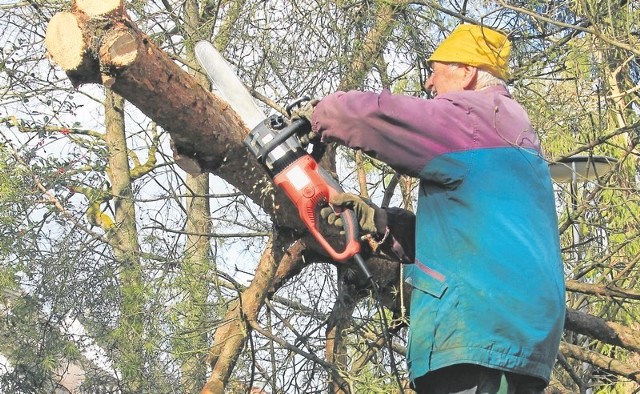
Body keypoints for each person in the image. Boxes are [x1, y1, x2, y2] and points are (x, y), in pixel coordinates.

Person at [292, 24, 565, 394]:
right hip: (513, 342)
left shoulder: (472, 118)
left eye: (435, 70)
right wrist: (382, 223)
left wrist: (319, 114)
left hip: (475, 338)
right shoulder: (513, 135)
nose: (429, 83)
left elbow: (378, 118)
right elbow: (474, 242)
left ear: (467, 73)